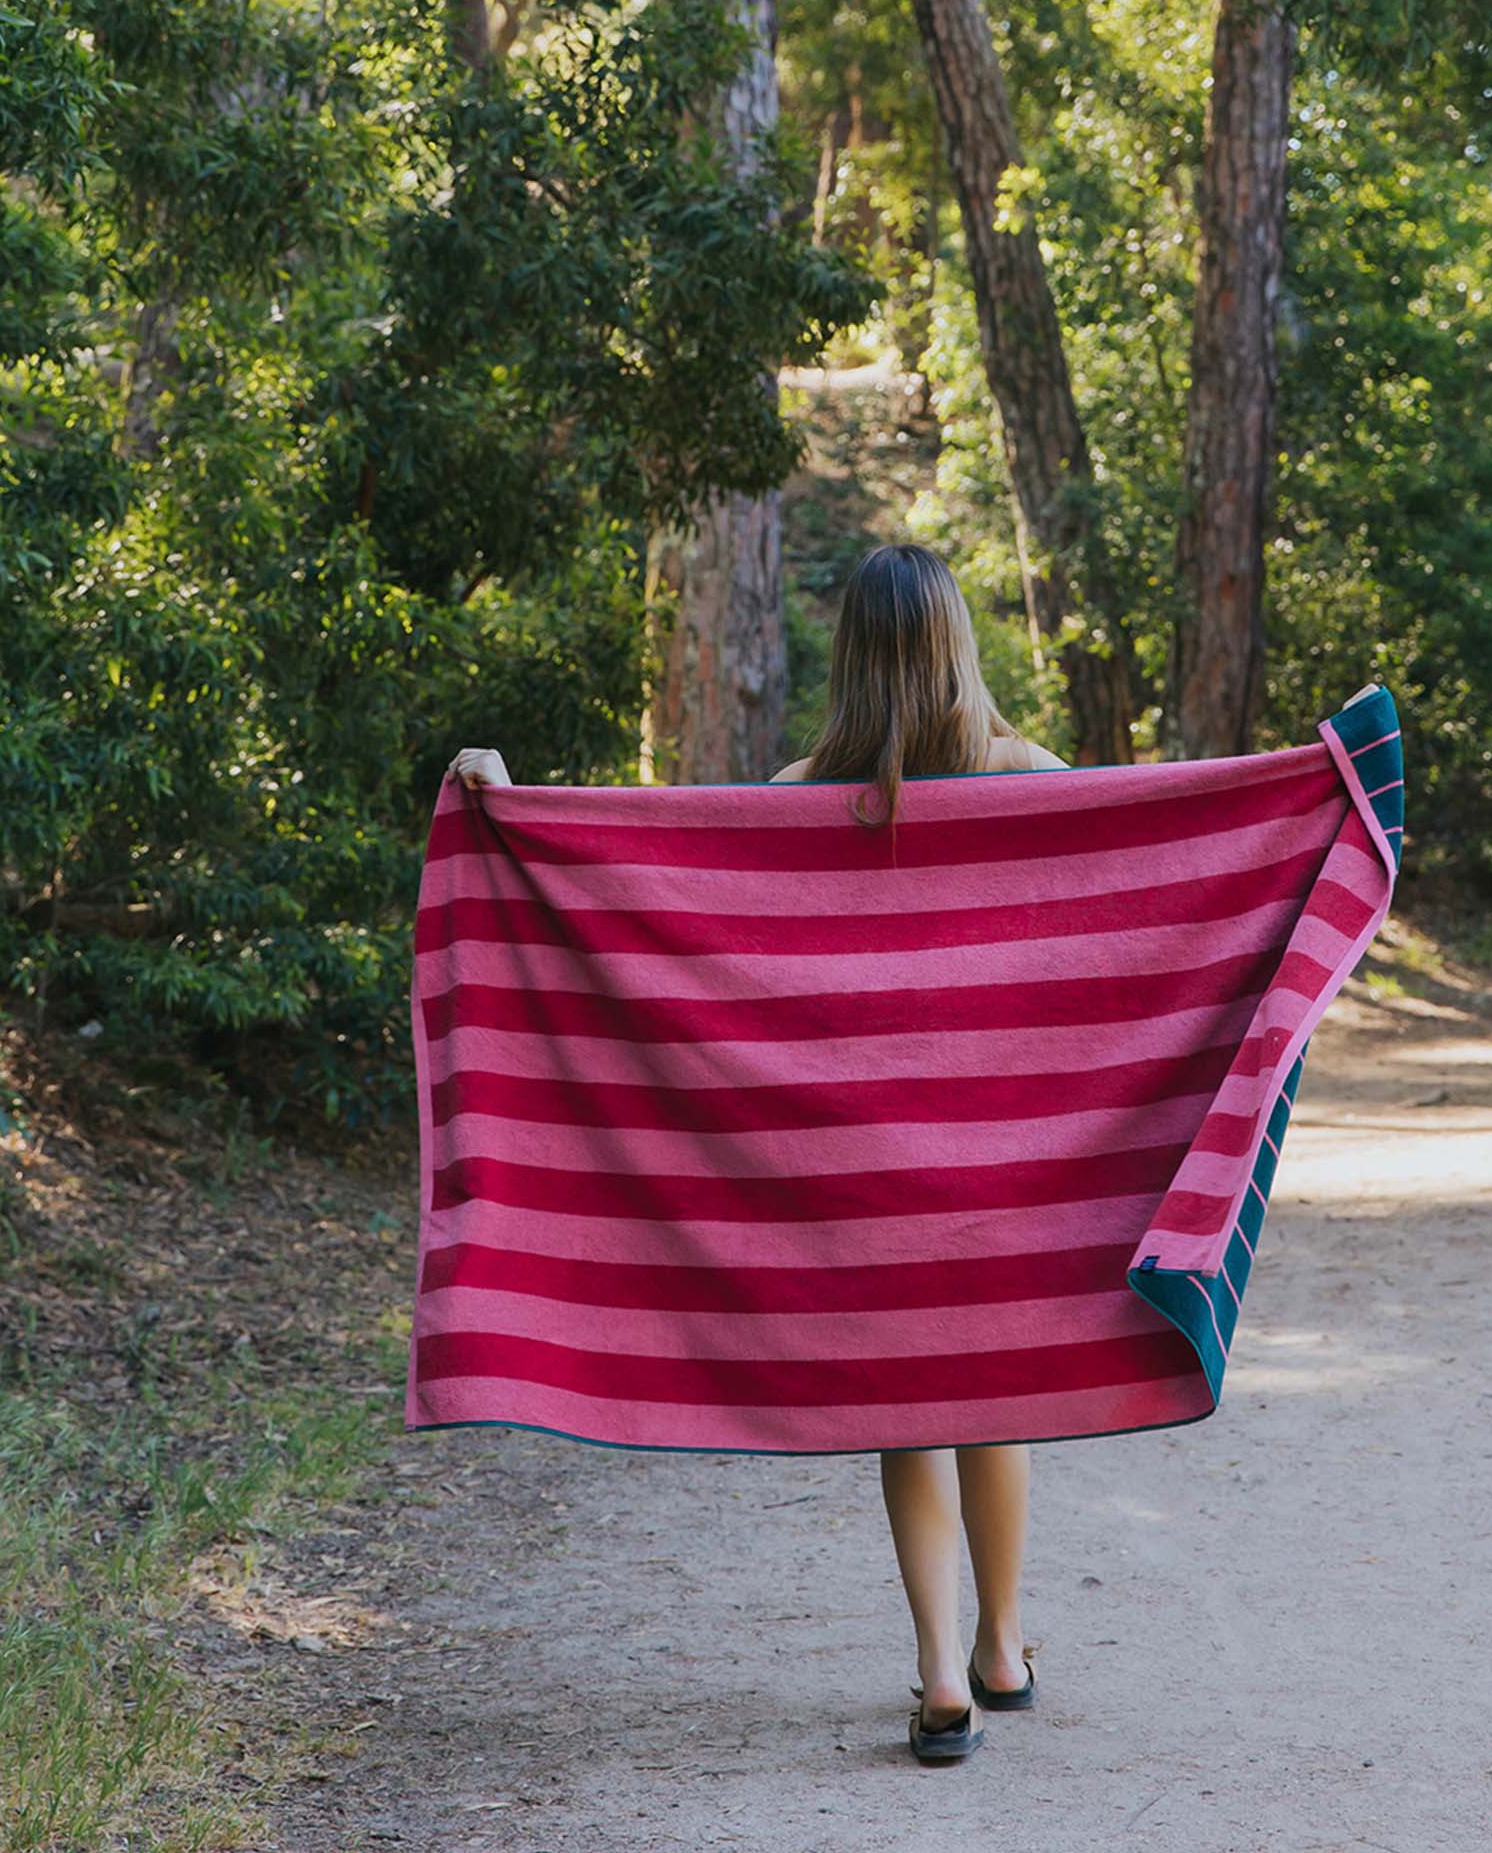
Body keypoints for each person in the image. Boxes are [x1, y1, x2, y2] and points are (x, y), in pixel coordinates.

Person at [447, 541, 1068, 1765]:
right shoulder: (1034, 779)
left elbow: (655, 887)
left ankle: (944, 1676)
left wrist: (510, 804)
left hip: (857, 1174)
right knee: (999, 1396)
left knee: (909, 1411)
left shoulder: (795, 793)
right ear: (957, 644)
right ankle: (1002, 1649)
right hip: (1000, 1167)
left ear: (852, 661)